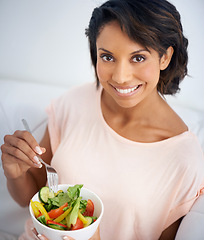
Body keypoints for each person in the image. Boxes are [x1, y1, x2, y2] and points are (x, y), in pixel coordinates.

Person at [1, 0, 204, 239]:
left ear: (165, 57)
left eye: (138, 58)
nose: (120, 77)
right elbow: (31, 195)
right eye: (107, 57)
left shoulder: (185, 159)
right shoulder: (76, 101)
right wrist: (15, 172)